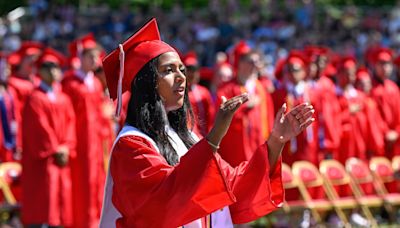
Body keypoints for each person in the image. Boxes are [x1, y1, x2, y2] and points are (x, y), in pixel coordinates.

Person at [100, 18, 314, 227]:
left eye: (181, 70)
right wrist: (214, 137)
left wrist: (276, 141)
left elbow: (232, 185)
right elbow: (164, 204)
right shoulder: (131, 145)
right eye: (168, 70)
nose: (181, 77)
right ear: (146, 83)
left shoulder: (188, 138)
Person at [21, 48, 76, 227]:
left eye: (56, 67)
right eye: (47, 67)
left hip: (60, 158)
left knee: (60, 205)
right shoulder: (35, 98)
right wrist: (55, 149)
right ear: (40, 71)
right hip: (44, 160)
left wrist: (66, 147)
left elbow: (70, 125)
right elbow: (38, 128)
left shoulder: (63, 98)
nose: (53, 71)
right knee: (44, 204)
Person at [62, 34, 106, 228]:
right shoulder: (70, 83)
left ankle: (95, 221)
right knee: (80, 183)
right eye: (90, 56)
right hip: (79, 141)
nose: (95, 60)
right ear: (81, 57)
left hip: (95, 142)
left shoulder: (95, 84)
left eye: (96, 56)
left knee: (96, 182)